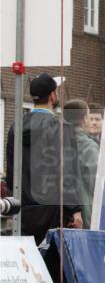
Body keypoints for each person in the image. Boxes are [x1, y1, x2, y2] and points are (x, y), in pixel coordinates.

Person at [5, 73, 83, 243]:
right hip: (53, 212)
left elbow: (11, 172)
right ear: (53, 95)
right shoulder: (61, 127)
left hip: (24, 210)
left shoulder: (15, 127)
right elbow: (66, 171)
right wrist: (75, 209)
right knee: (54, 265)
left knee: (30, 263)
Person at [63, 100, 99, 229]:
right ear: (84, 119)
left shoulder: (56, 141)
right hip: (84, 211)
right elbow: (95, 183)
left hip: (61, 211)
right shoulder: (88, 146)